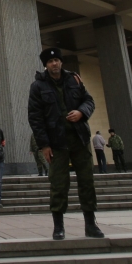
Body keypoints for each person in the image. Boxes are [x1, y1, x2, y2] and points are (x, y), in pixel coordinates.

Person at [28, 47, 103, 240]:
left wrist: (82, 112)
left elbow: (89, 100)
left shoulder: (74, 79)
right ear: (45, 64)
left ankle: (90, 224)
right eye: (51, 62)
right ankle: (58, 226)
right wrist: (44, 145)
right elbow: (35, 118)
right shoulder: (38, 86)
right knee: (59, 185)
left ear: (61, 62)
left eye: (57, 60)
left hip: (79, 139)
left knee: (87, 182)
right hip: (56, 144)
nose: (55, 64)